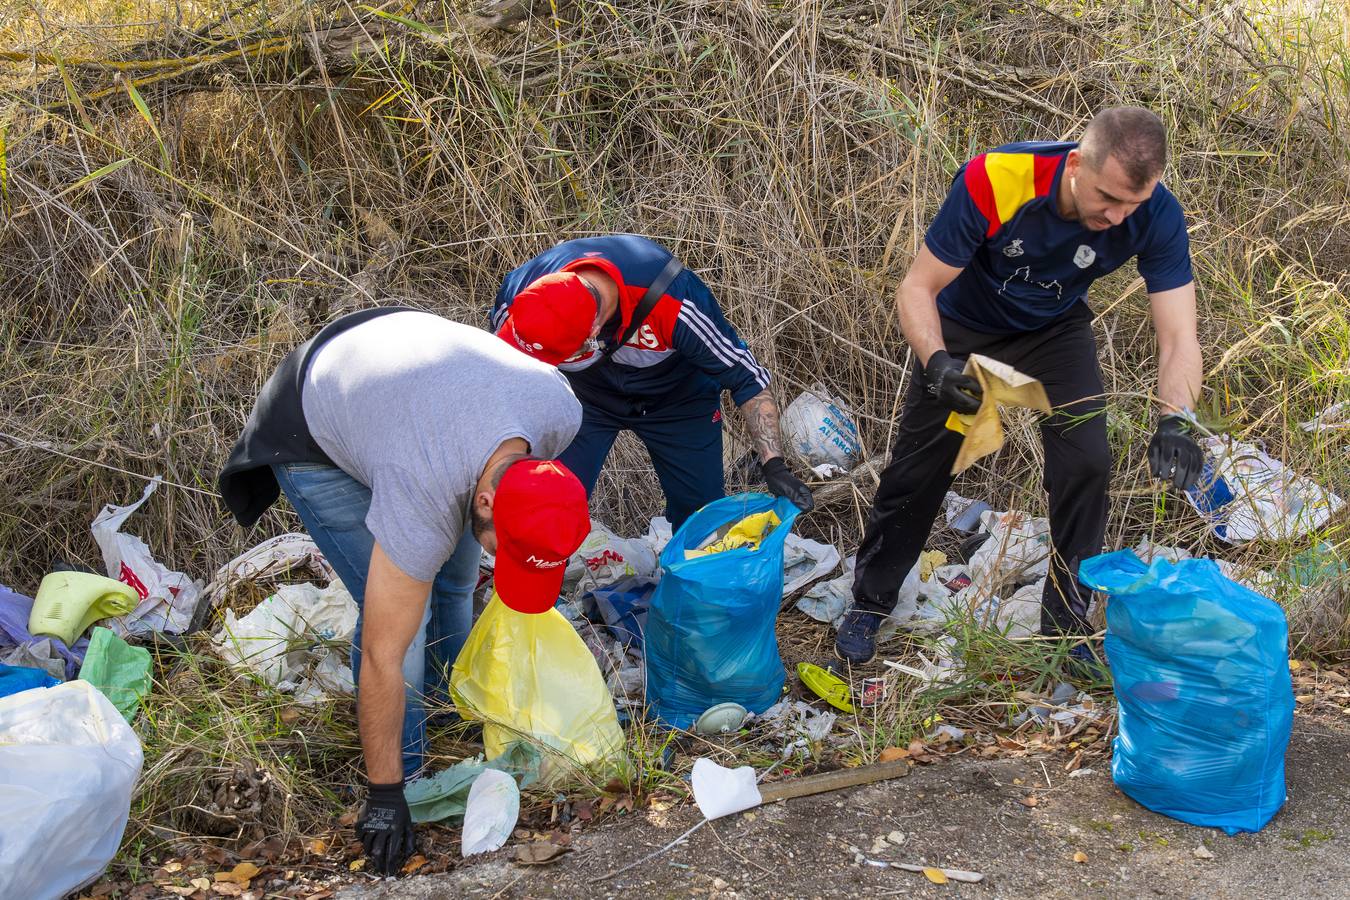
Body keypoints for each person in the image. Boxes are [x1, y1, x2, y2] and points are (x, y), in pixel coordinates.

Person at [218, 308, 591, 875]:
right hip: (314, 417)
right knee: (402, 628)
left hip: (410, 392)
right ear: (487, 499)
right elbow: (382, 654)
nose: (497, 557)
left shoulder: (558, 412)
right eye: (502, 546)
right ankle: (410, 771)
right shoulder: (426, 485)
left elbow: (482, 528)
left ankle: (448, 714)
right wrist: (386, 795)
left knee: (458, 581)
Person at [836, 107, 1205, 666]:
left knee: (1087, 461)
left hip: (1052, 331)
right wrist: (937, 363)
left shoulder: (1154, 212)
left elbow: (1178, 334)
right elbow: (917, 286)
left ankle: (1065, 624)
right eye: (1108, 198)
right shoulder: (997, 178)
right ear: (1076, 164)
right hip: (963, 329)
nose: (1118, 215)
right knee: (921, 465)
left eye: (1133, 203)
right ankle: (870, 601)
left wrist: (1176, 418)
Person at [490, 234, 814, 528]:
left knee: (700, 519)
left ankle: (690, 590)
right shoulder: (519, 300)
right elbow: (503, 380)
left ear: (592, 333)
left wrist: (774, 464)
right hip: (584, 400)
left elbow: (747, 379)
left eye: (555, 354)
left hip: (678, 401)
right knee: (548, 507)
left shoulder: (674, 302)